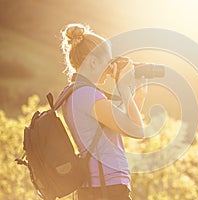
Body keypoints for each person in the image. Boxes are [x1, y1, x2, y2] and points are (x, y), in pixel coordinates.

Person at [60, 23, 147, 200]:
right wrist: (123, 87)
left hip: (99, 187)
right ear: (93, 61)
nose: (110, 69)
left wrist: (138, 96)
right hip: (106, 188)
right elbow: (138, 130)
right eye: (108, 61)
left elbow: (123, 125)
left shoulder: (75, 93)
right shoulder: (87, 95)